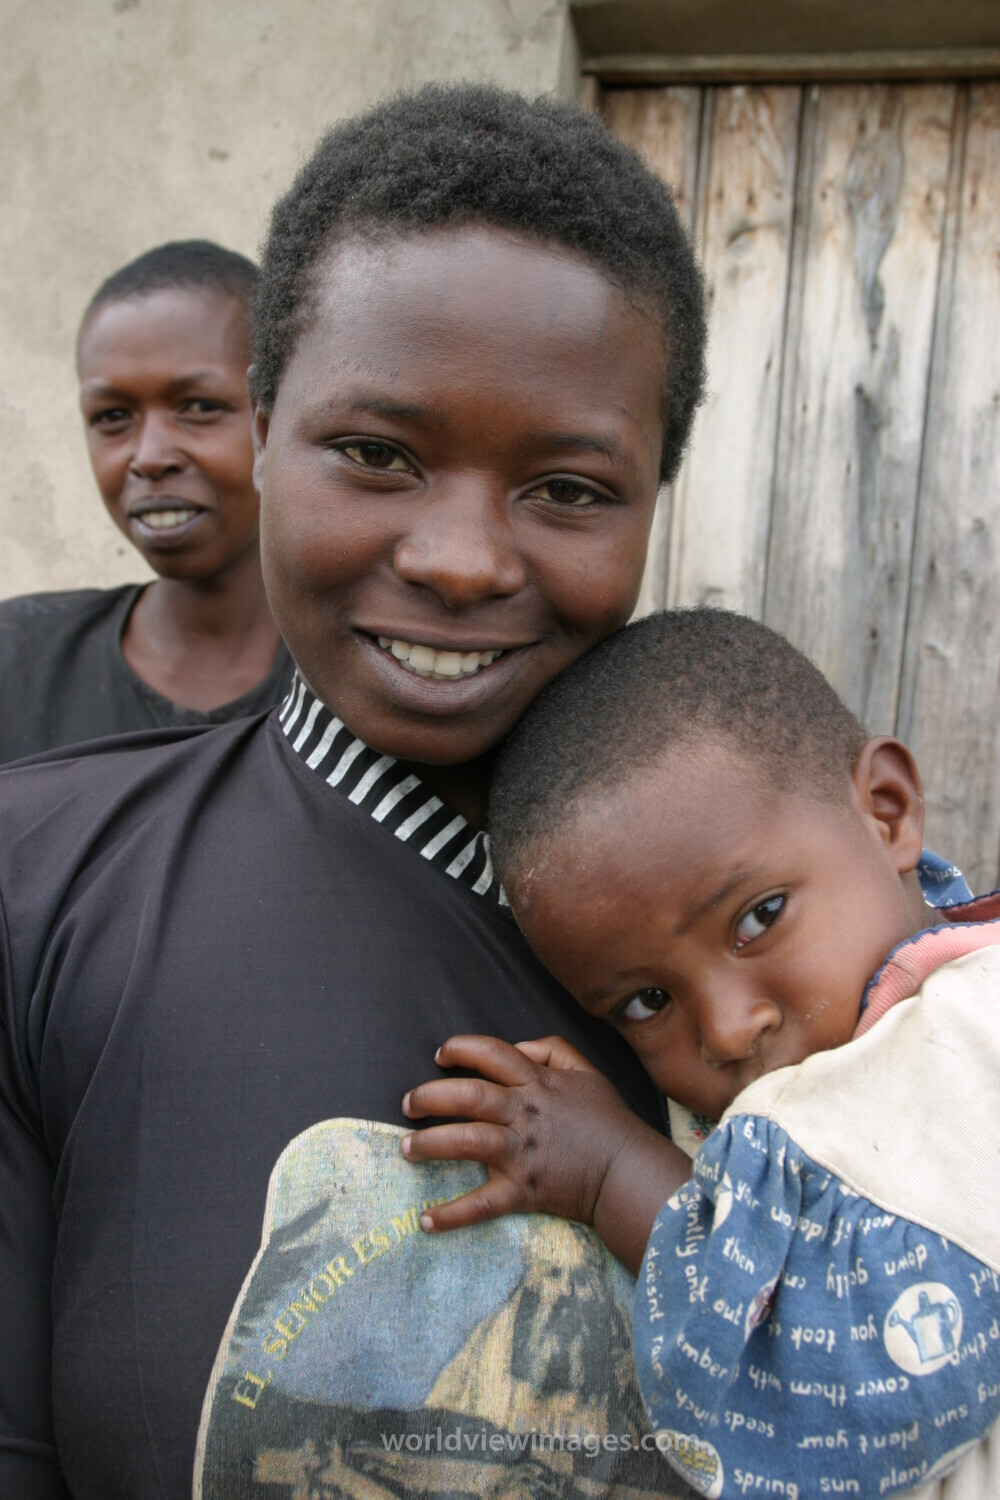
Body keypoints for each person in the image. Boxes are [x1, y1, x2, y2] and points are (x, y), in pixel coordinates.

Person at [0, 86, 710, 1500]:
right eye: (378, 455)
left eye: (567, 488)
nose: (457, 558)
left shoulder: (771, 930)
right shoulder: (38, 890)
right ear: (266, 436)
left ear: (652, 498)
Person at [401, 607, 1000, 1499]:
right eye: (648, 1002)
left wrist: (611, 1174)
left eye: (759, 918)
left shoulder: (960, 1036)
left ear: (886, 812)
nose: (726, 1030)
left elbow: (815, 1354)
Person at [0, 240, 293, 763]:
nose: (150, 457)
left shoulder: (361, 682)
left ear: (273, 420)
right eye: (113, 417)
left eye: (199, 407)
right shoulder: (17, 660)